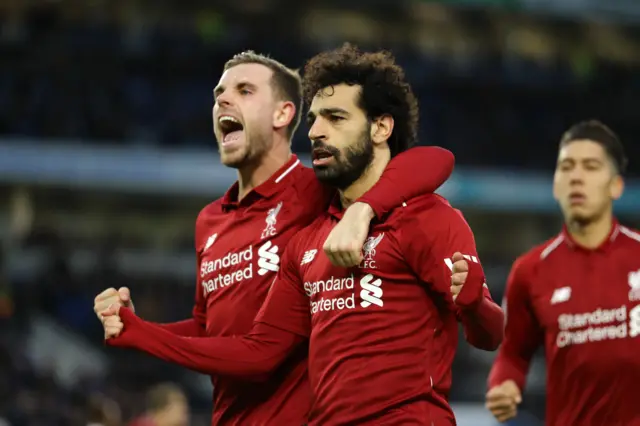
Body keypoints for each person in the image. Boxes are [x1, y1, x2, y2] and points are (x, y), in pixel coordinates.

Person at [101, 44, 504, 426]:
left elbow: (490, 332)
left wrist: (473, 306)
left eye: (336, 118)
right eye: (314, 120)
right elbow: (258, 349)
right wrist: (139, 330)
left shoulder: (422, 215)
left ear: (381, 127)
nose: (315, 132)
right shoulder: (302, 238)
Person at [485, 120, 640, 426]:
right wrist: (503, 386)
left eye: (591, 166)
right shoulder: (530, 270)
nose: (577, 177)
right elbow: (512, 354)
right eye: (567, 167)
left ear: (616, 186)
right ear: (556, 184)